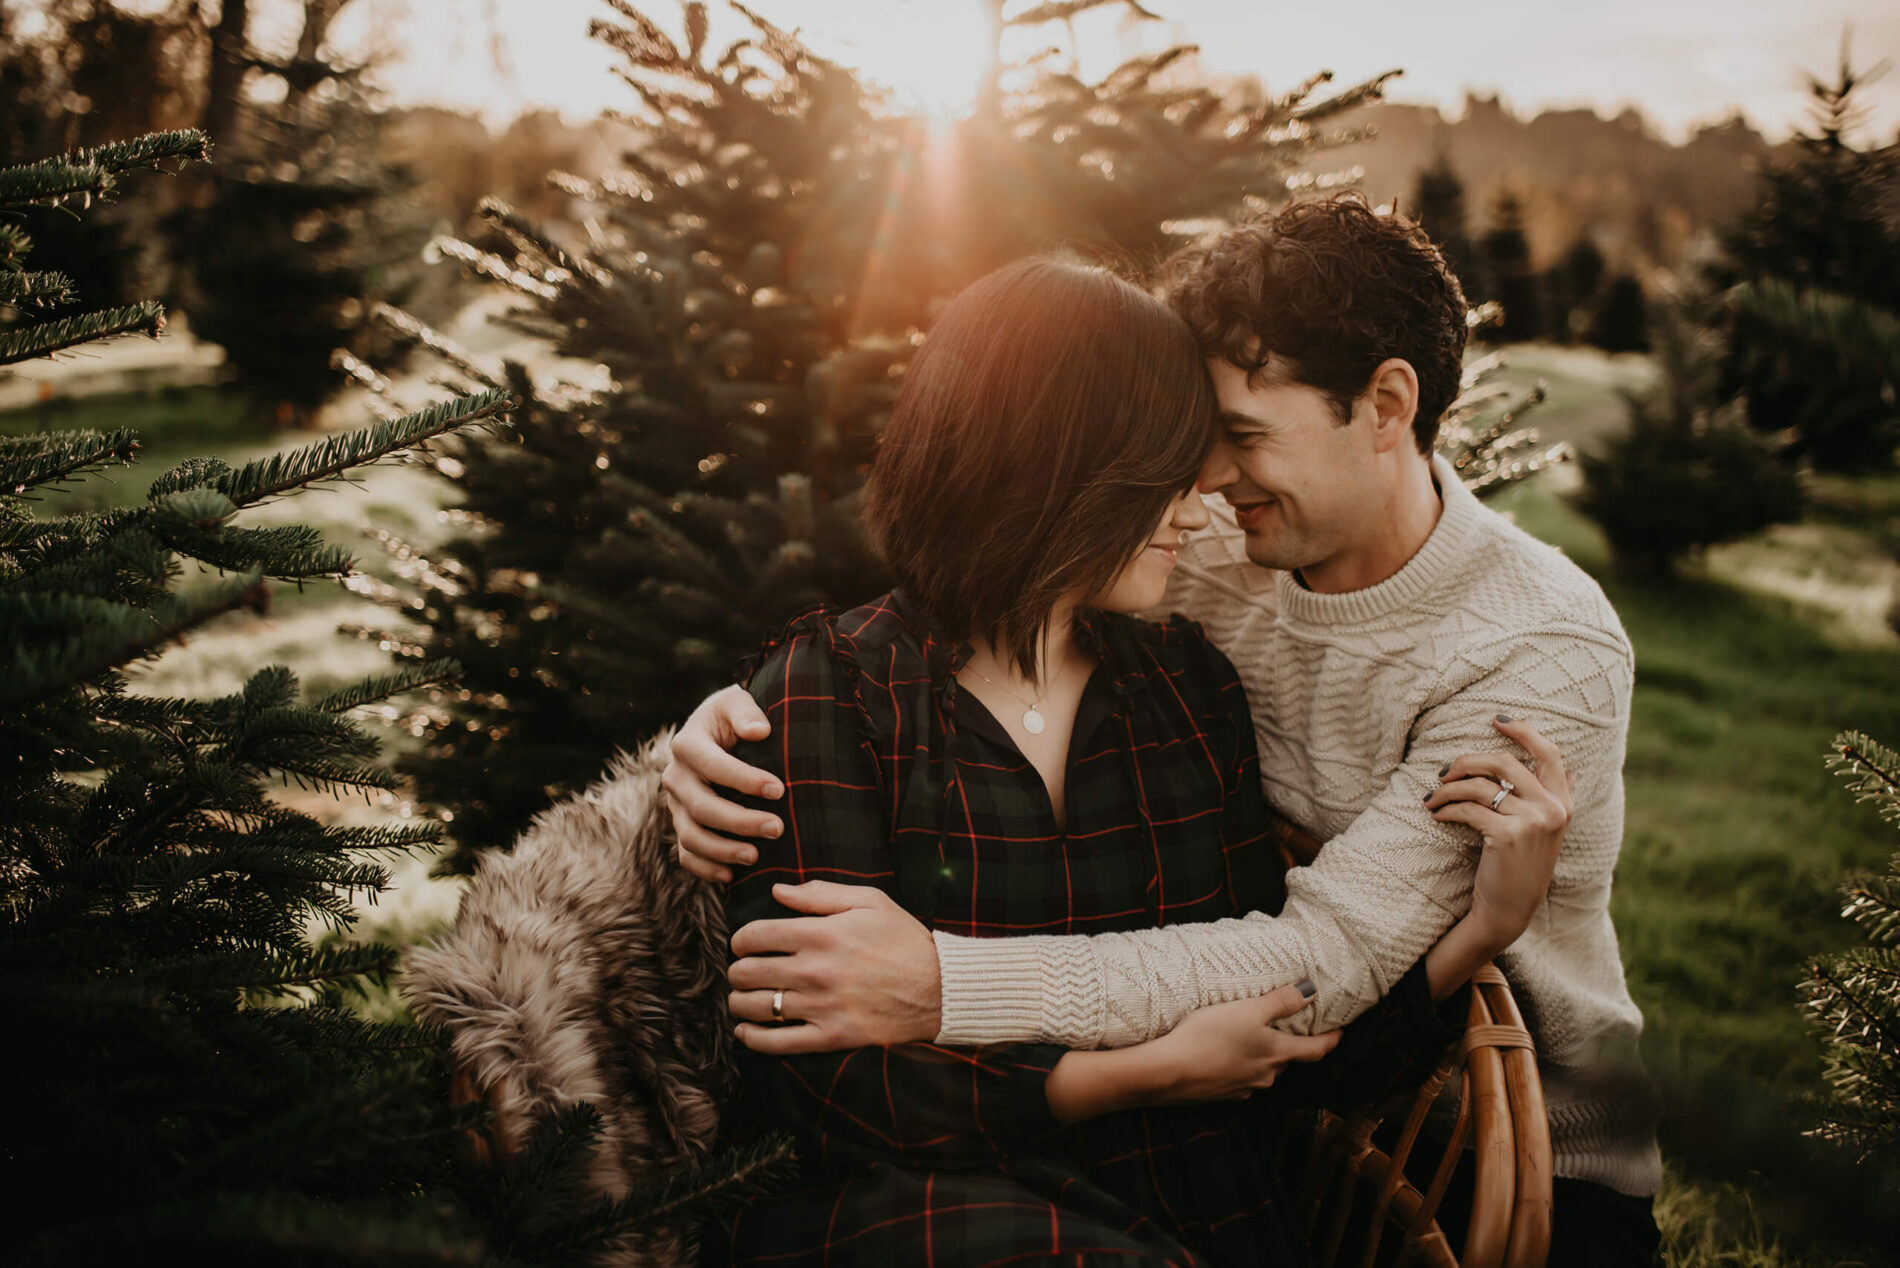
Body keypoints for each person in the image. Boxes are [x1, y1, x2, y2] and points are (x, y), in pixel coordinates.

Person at [668, 196, 1663, 1266]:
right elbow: (990, 548)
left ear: (1385, 404)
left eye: (1236, 436)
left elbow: (1313, 964)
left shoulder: (1529, 647)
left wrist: (943, 984)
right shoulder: (1195, 563)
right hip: (994, 1181)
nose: (1206, 490)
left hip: (1495, 1132)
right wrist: (725, 729)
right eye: (1185, 453)